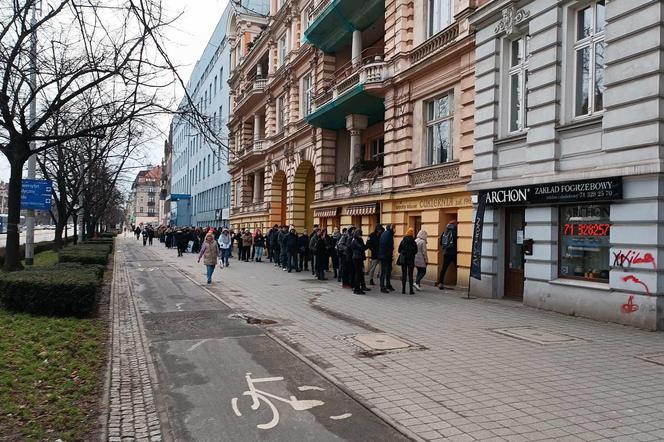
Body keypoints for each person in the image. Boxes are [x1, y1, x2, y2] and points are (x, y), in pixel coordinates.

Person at [439, 220, 458, 289]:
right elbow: (457, 241)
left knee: (444, 268)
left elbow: (441, 242)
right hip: (454, 253)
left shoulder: (445, 231)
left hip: (446, 252)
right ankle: (458, 282)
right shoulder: (455, 231)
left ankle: (441, 283)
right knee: (457, 268)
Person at [398, 228, 418, 295]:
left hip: (404, 260)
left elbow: (399, 250)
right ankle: (411, 290)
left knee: (404, 274)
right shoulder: (413, 242)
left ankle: (403, 290)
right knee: (410, 275)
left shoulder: (403, 241)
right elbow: (416, 251)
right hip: (411, 260)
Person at [378, 224, 395, 293]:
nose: (395, 230)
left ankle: (387, 285)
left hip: (383, 255)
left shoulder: (384, 233)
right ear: (391, 228)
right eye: (394, 228)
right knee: (385, 271)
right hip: (386, 256)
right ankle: (383, 286)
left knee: (385, 271)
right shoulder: (389, 235)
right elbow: (390, 246)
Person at [350, 229, 368, 294]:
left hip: (359, 258)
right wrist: (367, 244)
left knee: (359, 274)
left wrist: (367, 244)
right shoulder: (355, 240)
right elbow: (361, 248)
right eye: (360, 234)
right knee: (358, 274)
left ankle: (358, 288)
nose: (361, 236)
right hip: (357, 258)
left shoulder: (358, 240)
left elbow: (363, 247)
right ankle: (356, 289)